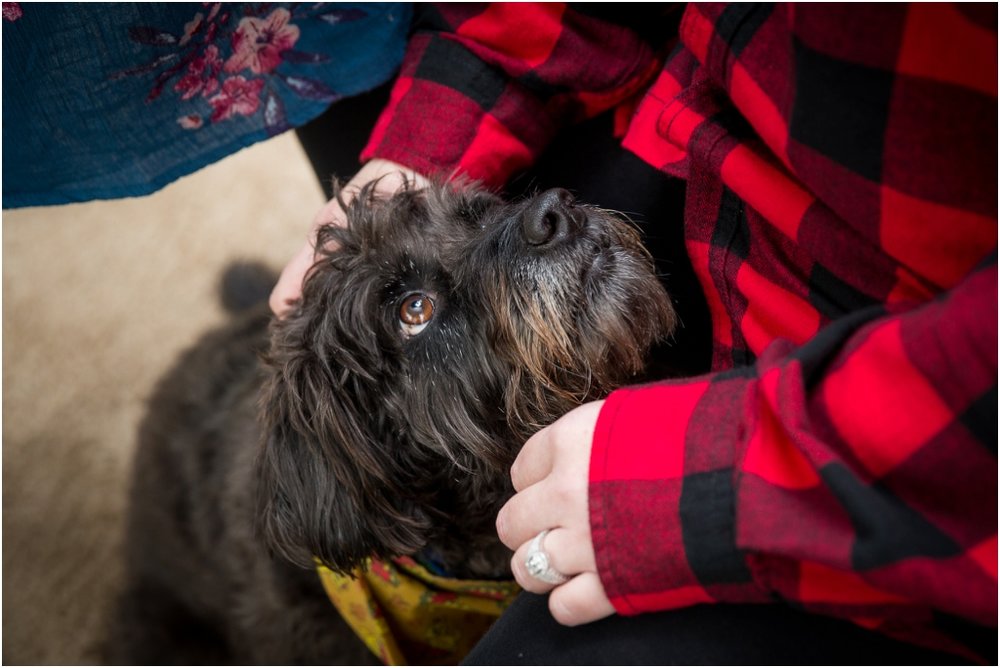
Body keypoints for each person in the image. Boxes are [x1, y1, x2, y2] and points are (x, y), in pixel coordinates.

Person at [276, 4, 997, 664]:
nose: (544, 211)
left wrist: (693, 486)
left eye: (484, 210)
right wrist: (420, 149)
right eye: (414, 312)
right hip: (741, 171)